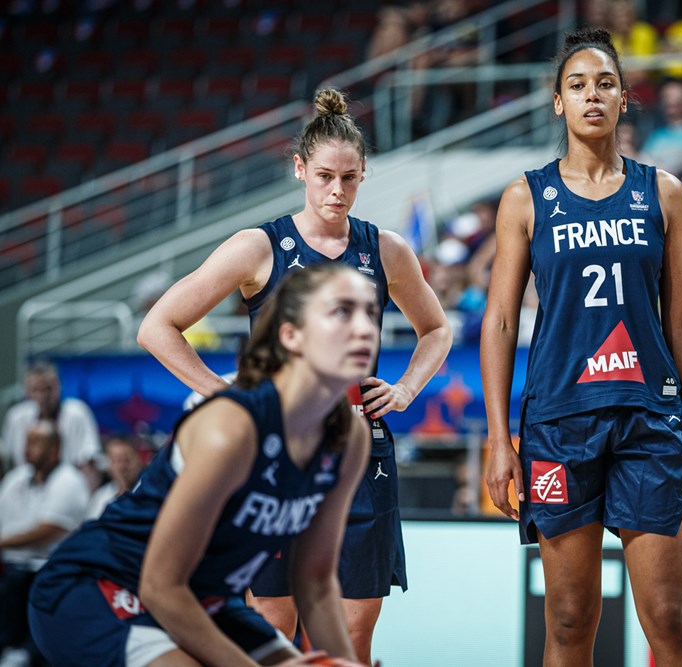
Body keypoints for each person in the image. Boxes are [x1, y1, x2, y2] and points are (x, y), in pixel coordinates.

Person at [136, 88, 453, 664]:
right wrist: (221, 391)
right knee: (271, 633)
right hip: (274, 460)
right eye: (325, 175)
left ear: (364, 176)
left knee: (352, 638)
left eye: (350, 178)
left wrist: (406, 388)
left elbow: (437, 329)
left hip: (360, 455)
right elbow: (158, 326)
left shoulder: (385, 248)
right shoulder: (259, 246)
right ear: (300, 169)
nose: (337, 191)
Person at [481, 28, 682, 666]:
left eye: (605, 84)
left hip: (649, 418)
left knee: (669, 618)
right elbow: (500, 322)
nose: (592, 96)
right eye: (578, 85)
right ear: (558, 102)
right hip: (559, 420)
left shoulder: (662, 191)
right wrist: (501, 441)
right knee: (568, 618)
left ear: (622, 99)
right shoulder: (525, 196)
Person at [29, 263, 378, 667]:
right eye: (342, 312)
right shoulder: (231, 427)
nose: (365, 328)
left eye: (370, 312)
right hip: (98, 586)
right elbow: (160, 586)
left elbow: (315, 583)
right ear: (291, 335)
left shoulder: (349, 437)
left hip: (200, 597)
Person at [0, 420, 90, 666]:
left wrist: (2, 543)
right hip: (11, 564)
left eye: (35, 443)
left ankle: (26, 652)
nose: (27, 448)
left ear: (54, 449)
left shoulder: (70, 481)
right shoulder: (16, 478)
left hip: (49, 566)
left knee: (22, 581)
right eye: (27, 441)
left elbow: (48, 529)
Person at [0, 361, 102, 489]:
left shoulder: (77, 413)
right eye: (35, 390)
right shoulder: (17, 417)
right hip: (27, 491)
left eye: (47, 389)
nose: (42, 396)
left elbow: (89, 463)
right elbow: (7, 462)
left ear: (58, 386)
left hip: (68, 489)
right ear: (26, 391)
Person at [86, 434, 147, 519]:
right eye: (117, 461)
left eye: (126, 460)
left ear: (138, 460)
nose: (122, 467)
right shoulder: (101, 497)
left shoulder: (149, 492)